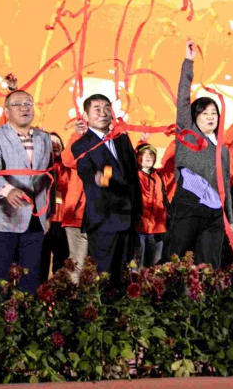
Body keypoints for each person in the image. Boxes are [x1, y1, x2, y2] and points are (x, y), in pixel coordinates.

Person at [165, 41, 233, 267]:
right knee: (176, 263)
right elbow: (183, 99)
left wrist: (230, 222)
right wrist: (189, 62)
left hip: (213, 214)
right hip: (187, 207)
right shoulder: (187, 134)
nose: (210, 117)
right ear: (195, 117)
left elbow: (225, 187)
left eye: (214, 113)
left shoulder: (222, 150)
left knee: (209, 267)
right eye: (204, 113)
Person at [0, 90, 53, 300]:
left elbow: (50, 177)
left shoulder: (44, 137)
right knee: (0, 279)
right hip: (4, 218)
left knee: (30, 279)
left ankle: (26, 319)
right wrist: (7, 190)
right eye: (17, 104)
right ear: (6, 111)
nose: (24, 108)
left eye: (28, 103)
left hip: (36, 219)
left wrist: (48, 214)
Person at [72, 94, 141, 285]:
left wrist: (138, 210)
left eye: (107, 109)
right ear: (85, 116)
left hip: (127, 218)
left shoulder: (122, 140)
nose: (102, 113)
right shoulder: (81, 144)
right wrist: (96, 178)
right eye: (96, 109)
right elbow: (85, 170)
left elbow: (133, 178)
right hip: (103, 219)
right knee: (103, 276)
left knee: (125, 276)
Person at [60, 120, 88, 279]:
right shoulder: (75, 162)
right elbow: (67, 159)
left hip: (99, 218)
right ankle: (74, 294)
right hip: (76, 217)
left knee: (96, 266)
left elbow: (108, 177)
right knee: (77, 265)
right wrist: (77, 134)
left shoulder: (104, 152)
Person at [40, 132, 70, 279]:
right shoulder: (39, 167)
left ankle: (59, 292)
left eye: (57, 142)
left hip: (62, 221)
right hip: (43, 220)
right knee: (41, 262)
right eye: (50, 142)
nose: (54, 145)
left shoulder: (68, 167)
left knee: (61, 262)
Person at [135, 143, 167, 267]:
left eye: (151, 154)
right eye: (144, 153)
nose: (148, 156)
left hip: (157, 231)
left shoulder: (159, 175)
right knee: (136, 269)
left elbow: (171, 161)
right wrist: (141, 140)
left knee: (155, 270)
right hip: (138, 230)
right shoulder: (132, 176)